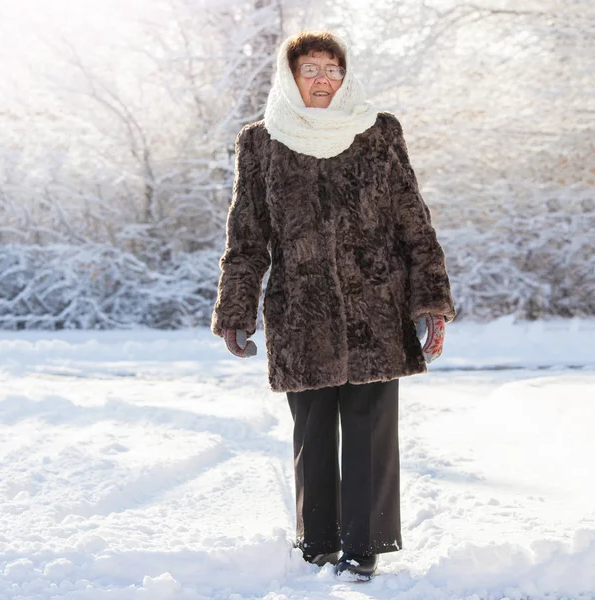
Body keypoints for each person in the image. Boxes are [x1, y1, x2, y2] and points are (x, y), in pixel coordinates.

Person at [211, 30, 456, 581]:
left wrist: (432, 303)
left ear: (346, 76)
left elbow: (413, 223)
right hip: (301, 309)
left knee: (370, 428)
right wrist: (235, 310)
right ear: (289, 76)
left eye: (332, 69)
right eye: (310, 70)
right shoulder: (261, 142)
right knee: (313, 430)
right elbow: (246, 238)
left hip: (376, 305)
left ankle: (362, 547)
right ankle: (317, 540)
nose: (323, 80)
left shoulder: (378, 131)